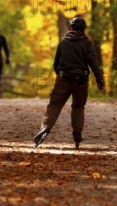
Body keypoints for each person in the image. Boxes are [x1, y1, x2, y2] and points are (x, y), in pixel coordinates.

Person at [34, 17, 104, 149]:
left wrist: (60, 76)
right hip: (81, 79)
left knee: (55, 103)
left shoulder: (64, 42)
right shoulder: (87, 43)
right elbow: (92, 61)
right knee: (78, 106)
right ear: (84, 30)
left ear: (70, 28)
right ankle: (77, 134)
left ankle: (46, 126)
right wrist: (99, 79)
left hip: (64, 78)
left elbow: (56, 64)